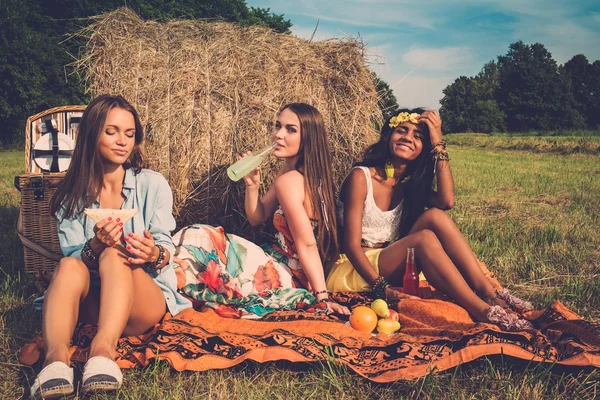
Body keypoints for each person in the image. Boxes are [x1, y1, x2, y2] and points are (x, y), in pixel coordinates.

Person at [30, 94, 191, 399]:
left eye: (129, 134)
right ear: (92, 134)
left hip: (144, 300)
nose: (122, 142)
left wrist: (155, 253)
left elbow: (165, 245)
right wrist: (92, 245)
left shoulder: (152, 184)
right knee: (68, 265)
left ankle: (102, 354)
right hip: (92, 304)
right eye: (112, 131)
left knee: (115, 255)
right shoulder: (71, 195)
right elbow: (74, 259)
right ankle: (55, 362)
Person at [326, 108, 533, 331]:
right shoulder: (361, 177)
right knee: (424, 239)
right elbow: (350, 245)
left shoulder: (408, 185)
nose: (407, 138)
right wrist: (382, 288)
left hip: (386, 257)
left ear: (425, 148)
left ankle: (490, 295)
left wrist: (438, 142)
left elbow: (446, 201)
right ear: (388, 137)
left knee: (435, 216)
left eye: (418, 136)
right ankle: (482, 311)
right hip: (354, 268)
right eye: (402, 131)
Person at [172, 103, 350, 317]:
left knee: (196, 235)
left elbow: (307, 243)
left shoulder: (290, 181)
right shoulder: (311, 178)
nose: (278, 134)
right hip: (298, 273)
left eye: (290, 130)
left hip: (282, 273)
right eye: (278, 126)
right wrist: (252, 185)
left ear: (309, 138)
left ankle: (161, 285)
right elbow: (258, 216)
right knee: (201, 240)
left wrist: (322, 298)